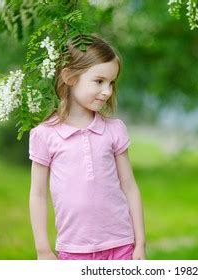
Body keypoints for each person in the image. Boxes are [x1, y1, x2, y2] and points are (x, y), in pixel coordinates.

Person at [28, 34, 146, 260]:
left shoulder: (114, 130)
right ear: (69, 77)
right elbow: (38, 194)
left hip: (121, 245)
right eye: (99, 81)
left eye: (111, 83)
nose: (107, 91)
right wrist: (42, 249)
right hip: (74, 250)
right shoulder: (45, 135)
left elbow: (130, 187)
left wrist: (140, 243)